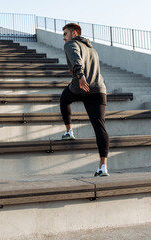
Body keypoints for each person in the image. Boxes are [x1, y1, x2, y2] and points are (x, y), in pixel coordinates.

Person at [60, 23, 110, 177]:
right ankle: (103, 166)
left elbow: (76, 59)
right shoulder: (93, 50)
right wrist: (76, 70)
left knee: (63, 99)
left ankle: (69, 131)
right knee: (100, 127)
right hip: (99, 89)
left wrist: (80, 75)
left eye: (66, 34)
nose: (64, 38)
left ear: (74, 33)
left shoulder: (71, 44)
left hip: (81, 87)